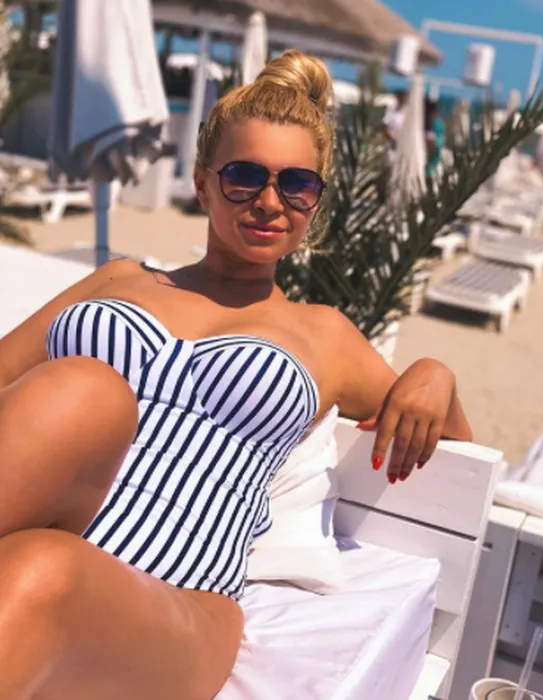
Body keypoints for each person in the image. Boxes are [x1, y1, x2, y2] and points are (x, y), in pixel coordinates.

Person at [0, 50, 472, 700]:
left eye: (296, 185)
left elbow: (460, 455)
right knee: (79, 390)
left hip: (178, 602)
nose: (269, 202)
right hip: (44, 530)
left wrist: (435, 374)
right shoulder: (118, 280)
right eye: (244, 177)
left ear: (314, 203)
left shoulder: (324, 335)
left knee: (41, 569)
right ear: (202, 184)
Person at [424, 97, 446, 183]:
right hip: (426, 164)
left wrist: (433, 141)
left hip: (432, 164)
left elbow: (440, 141)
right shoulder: (426, 123)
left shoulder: (437, 123)